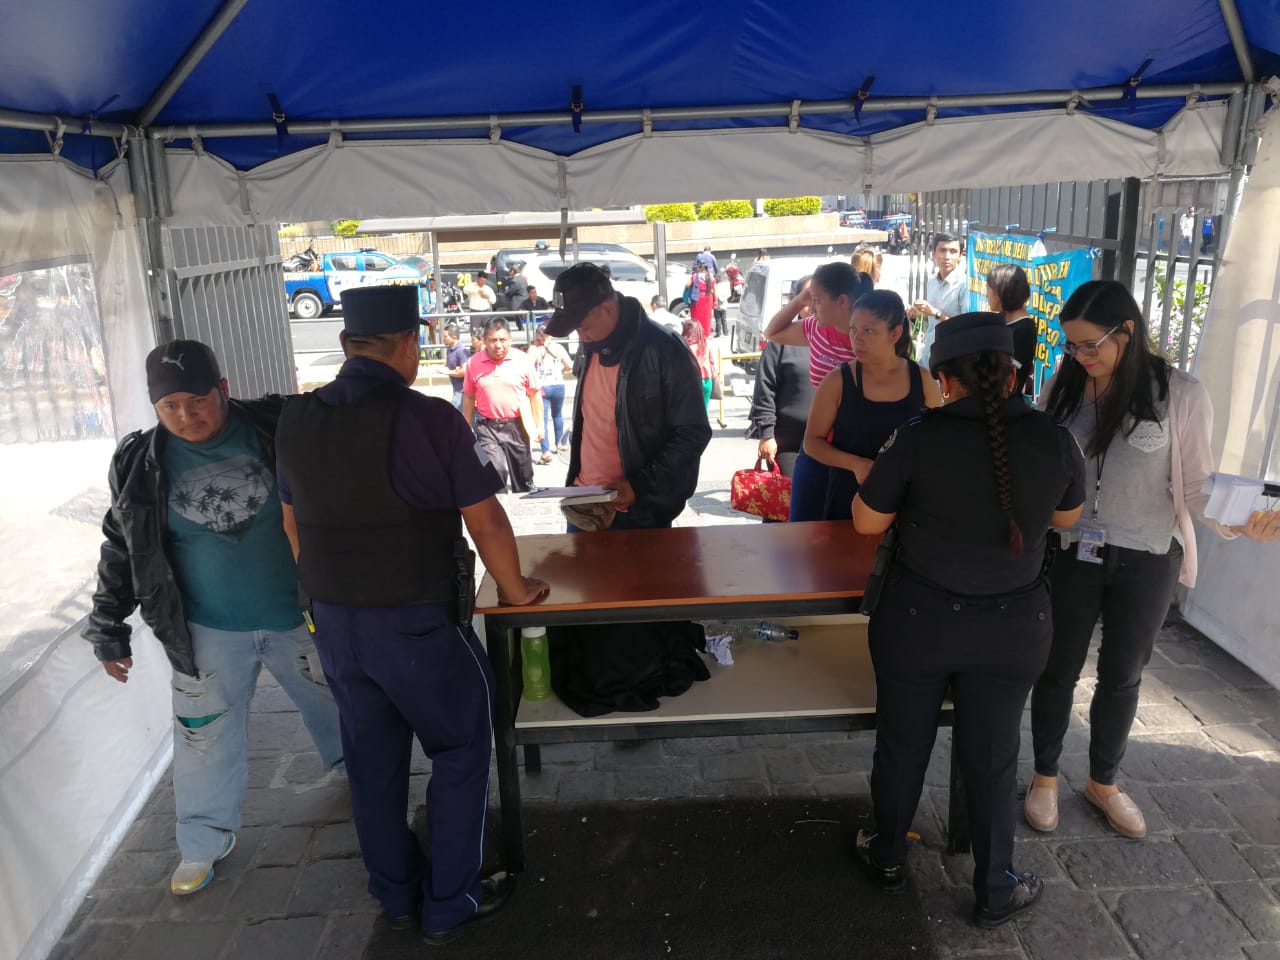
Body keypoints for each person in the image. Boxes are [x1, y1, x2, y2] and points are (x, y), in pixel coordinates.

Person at [273, 284, 549, 944]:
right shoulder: (429, 418)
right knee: (460, 749)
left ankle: (395, 895)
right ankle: (448, 902)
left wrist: (326, 599)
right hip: (418, 623)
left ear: (346, 346)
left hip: (337, 622)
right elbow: (484, 519)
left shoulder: (295, 419)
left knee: (371, 763)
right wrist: (514, 591)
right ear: (407, 344)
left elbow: (293, 527)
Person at [851, 312, 1087, 927]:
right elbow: (1067, 519)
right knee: (993, 753)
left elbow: (866, 522)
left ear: (942, 377)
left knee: (902, 744)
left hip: (917, 621)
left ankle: (885, 857)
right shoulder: (1053, 437)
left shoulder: (917, 436)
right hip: (1013, 629)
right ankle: (994, 888)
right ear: (1012, 374)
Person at [84, 339, 343, 896]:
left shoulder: (277, 428)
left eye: (197, 399)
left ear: (223, 389)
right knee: (202, 738)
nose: (186, 415)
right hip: (204, 632)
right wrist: (108, 626)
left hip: (301, 616)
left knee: (339, 703)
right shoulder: (137, 461)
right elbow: (121, 546)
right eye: (169, 405)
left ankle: (361, 782)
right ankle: (202, 840)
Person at [1027, 281, 1280, 840]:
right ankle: (1044, 775)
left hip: (1147, 557)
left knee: (1122, 676)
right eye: (1072, 346)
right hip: (1072, 553)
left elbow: (1195, 487)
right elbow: (1040, 461)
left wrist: (1242, 523)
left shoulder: (1180, 394)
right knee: (1056, 669)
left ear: (1129, 332)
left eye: (1091, 345)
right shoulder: (1064, 387)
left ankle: (1104, 781)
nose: (1081, 357)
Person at [544, 262, 710, 530]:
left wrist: (640, 486)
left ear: (608, 308)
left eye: (583, 326)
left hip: (637, 512)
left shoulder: (665, 349)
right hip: (583, 502)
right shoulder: (590, 346)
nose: (581, 336)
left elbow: (693, 433)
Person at [804, 290, 939, 520]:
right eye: (853, 329)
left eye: (869, 331)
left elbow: (938, 439)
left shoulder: (922, 379)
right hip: (849, 504)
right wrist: (855, 464)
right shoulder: (838, 381)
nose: (857, 338)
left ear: (895, 333)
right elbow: (811, 442)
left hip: (909, 506)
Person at [763, 262, 872, 521]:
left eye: (818, 300)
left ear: (842, 301)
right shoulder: (817, 328)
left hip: (859, 447)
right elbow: (773, 332)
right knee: (802, 523)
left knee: (848, 527)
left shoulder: (867, 337)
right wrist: (800, 298)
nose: (811, 307)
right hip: (817, 442)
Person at [462, 318, 543, 493]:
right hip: (486, 428)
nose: (498, 345)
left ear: (510, 340)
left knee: (524, 480)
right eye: (493, 340)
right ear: (485, 341)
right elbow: (468, 397)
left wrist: (539, 426)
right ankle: (498, 514)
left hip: (518, 426)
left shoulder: (523, 360)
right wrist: (465, 428)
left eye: (502, 340)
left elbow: (535, 394)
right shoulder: (473, 363)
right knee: (493, 470)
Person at [748, 340, 815, 490]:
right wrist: (766, 434)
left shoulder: (837, 337)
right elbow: (764, 390)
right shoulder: (781, 342)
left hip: (828, 444)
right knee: (786, 501)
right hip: (787, 445)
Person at [911, 233, 967, 369]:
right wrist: (919, 314)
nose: (947, 256)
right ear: (934, 253)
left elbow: (965, 327)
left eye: (953, 251)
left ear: (960, 256)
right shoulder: (932, 281)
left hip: (950, 359)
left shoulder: (964, 285)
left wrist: (935, 313)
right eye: (942, 250)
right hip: (928, 354)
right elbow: (931, 322)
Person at [985, 264, 1037, 398]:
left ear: (1001, 291)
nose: (986, 295)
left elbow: (1005, 374)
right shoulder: (1002, 320)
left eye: (988, 289)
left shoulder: (1024, 329)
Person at [528, 322, 572, 464]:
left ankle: (545, 450)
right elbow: (569, 366)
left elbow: (528, 367)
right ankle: (561, 444)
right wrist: (563, 370)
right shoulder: (558, 348)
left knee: (542, 419)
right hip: (558, 384)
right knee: (558, 415)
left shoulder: (534, 349)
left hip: (542, 386)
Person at [682, 318, 716, 408]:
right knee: (704, 410)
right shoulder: (706, 344)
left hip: (691, 381)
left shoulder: (685, 347)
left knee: (691, 412)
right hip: (707, 381)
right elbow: (712, 362)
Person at [685, 261, 718, 339]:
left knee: (696, 316)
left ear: (699, 268)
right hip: (708, 298)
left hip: (697, 298)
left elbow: (687, 285)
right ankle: (706, 334)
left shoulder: (695, 276)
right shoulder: (711, 276)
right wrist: (715, 301)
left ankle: (696, 334)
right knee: (707, 317)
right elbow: (715, 290)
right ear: (706, 268)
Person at [441, 323, 470, 410]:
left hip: (462, 392)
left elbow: (465, 371)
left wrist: (448, 372)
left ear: (454, 337)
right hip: (457, 390)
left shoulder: (460, 351)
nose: (443, 339)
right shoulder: (450, 349)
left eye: (445, 337)